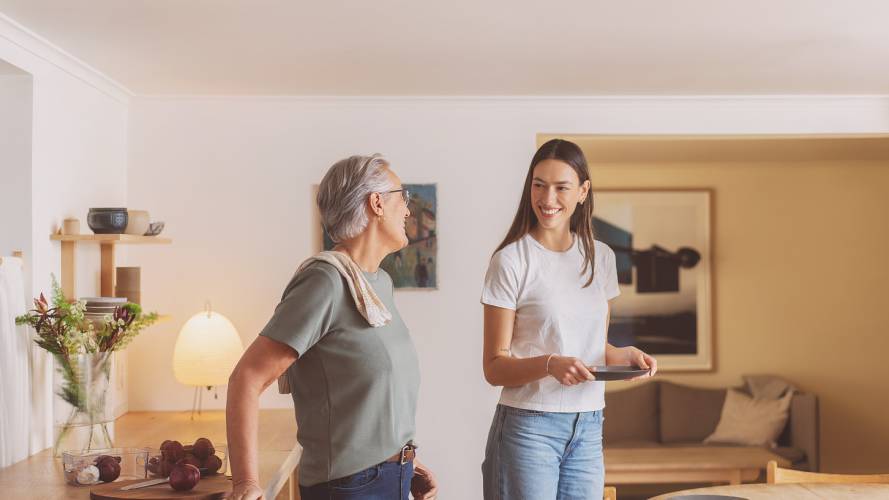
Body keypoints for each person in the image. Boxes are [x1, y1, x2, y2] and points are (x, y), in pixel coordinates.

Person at [226, 154, 438, 500]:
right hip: (349, 487)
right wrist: (245, 482)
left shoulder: (378, 283)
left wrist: (404, 464)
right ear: (377, 203)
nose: (409, 211)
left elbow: (372, 394)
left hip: (392, 478)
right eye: (404, 198)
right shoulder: (325, 281)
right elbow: (246, 377)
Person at [480, 139, 657, 500]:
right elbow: (494, 366)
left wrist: (623, 356)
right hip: (529, 427)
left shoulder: (601, 258)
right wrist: (549, 365)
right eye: (539, 185)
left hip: (589, 424)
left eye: (561, 187)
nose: (548, 199)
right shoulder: (512, 261)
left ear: (582, 192)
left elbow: (591, 347)